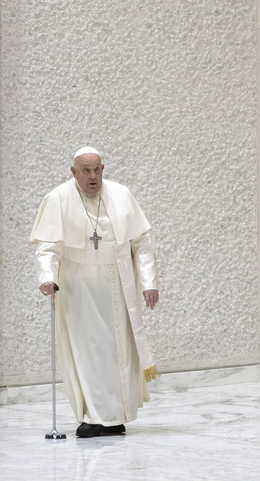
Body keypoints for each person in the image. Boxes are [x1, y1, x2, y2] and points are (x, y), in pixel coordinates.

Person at [30, 147, 160, 438]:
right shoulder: (58, 199)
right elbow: (47, 248)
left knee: (118, 353)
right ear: (73, 172)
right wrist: (47, 278)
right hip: (78, 289)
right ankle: (95, 415)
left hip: (117, 285)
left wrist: (149, 283)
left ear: (103, 169)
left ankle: (115, 417)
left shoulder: (122, 195)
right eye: (86, 171)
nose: (93, 177)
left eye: (97, 170)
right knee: (88, 354)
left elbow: (142, 244)